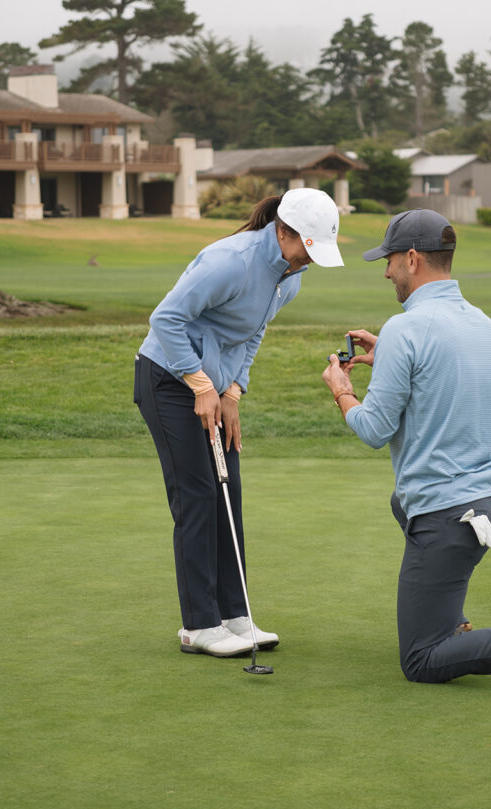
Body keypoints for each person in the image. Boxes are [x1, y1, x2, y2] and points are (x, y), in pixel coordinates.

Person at [322, 209, 491, 695]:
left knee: (422, 659)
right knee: (401, 501)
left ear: (412, 259)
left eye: (389, 260)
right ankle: (451, 617)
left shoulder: (407, 330)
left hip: (451, 517)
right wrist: (388, 351)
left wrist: (342, 389)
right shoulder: (482, 323)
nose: (385, 272)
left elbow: (373, 430)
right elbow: (441, 367)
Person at [136, 187, 343, 657]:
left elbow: (254, 332)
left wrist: (232, 390)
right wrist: (201, 384)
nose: (306, 263)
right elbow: (165, 318)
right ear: (284, 232)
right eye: (305, 251)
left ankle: (235, 613)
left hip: (213, 386)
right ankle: (199, 625)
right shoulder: (231, 260)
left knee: (228, 491)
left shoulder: (290, 275)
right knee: (198, 495)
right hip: (167, 377)